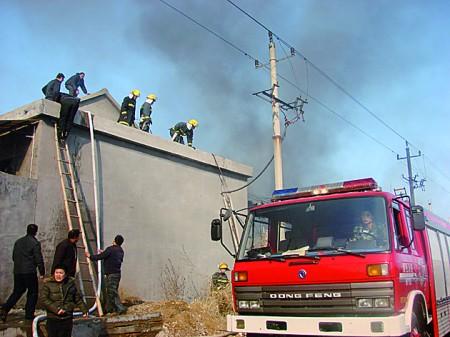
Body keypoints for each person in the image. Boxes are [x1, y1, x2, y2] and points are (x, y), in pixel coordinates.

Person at [0, 224, 45, 322]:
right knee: (33, 292)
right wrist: (42, 272)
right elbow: (38, 259)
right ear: (35, 232)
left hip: (18, 271)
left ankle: (5, 308)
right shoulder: (35, 243)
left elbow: (13, 256)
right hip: (29, 271)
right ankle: (29, 314)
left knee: (17, 291)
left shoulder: (18, 242)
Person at [41, 264, 88, 337]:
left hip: (67, 317)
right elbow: (44, 299)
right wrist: (56, 309)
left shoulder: (70, 284)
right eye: (57, 273)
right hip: (53, 317)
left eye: (61, 273)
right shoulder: (48, 285)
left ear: (65, 274)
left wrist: (84, 310)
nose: (58, 275)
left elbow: (77, 298)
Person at [86, 235, 126, 314]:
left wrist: (90, 256)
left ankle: (120, 308)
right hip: (117, 274)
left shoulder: (110, 249)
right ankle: (109, 309)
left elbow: (101, 257)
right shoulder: (120, 250)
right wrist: (104, 252)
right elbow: (111, 256)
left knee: (112, 292)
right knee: (110, 292)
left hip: (111, 274)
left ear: (114, 240)